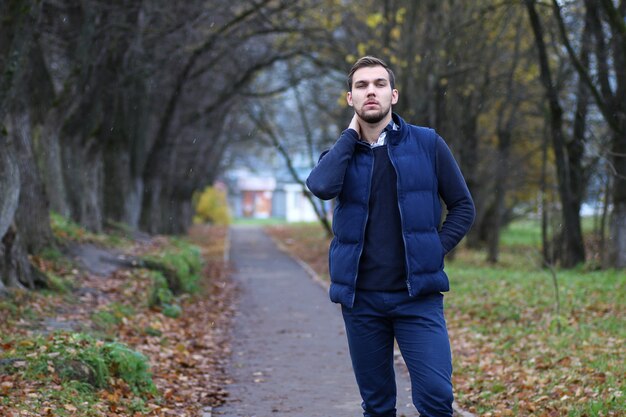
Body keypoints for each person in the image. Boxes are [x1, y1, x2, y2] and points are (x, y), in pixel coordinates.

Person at [306, 56, 475, 417]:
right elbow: (320, 186)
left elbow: (463, 206)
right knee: (378, 405)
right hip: (361, 300)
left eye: (379, 84)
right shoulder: (340, 155)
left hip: (417, 298)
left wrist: (433, 249)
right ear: (350, 98)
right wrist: (351, 135)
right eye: (361, 86)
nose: (371, 92)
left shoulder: (427, 144)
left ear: (393, 95)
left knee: (435, 397)